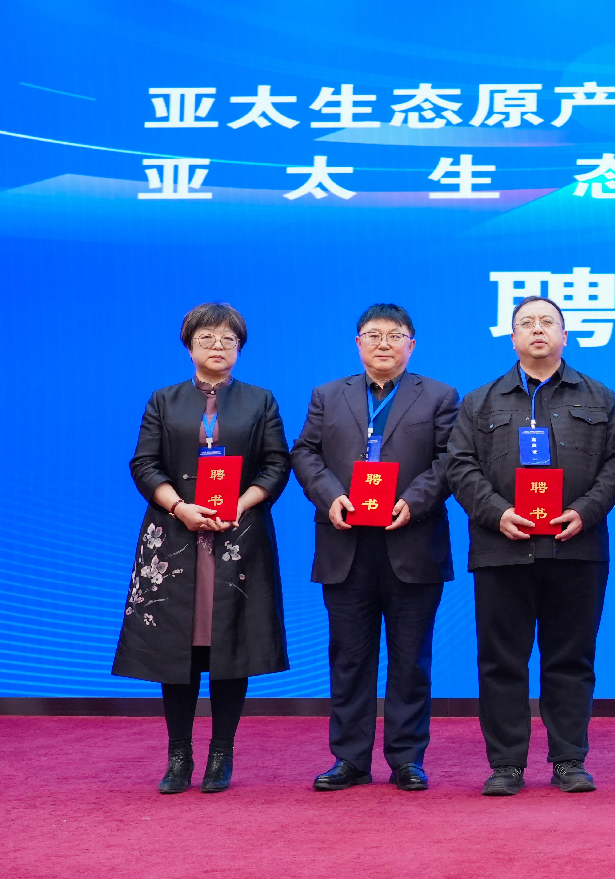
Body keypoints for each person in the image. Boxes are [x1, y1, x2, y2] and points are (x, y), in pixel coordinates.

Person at [446, 296, 615, 797]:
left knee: (571, 658)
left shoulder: (599, 396)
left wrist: (586, 511)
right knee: (501, 661)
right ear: (512, 339)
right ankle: (506, 764)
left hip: (576, 547)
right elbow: (460, 465)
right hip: (502, 547)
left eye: (548, 321)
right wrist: (497, 513)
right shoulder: (480, 401)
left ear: (565, 335)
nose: (538, 329)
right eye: (526, 323)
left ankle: (569, 759)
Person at [113, 303, 291, 794]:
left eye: (228, 339)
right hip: (175, 537)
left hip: (239, 537)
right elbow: (144, 464)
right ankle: (178, 756)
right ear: (189, 345)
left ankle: (221, 753)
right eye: (207, 338)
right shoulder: (163, 400)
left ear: (240, 348)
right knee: (179, 647)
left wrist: (241, 503)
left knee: (230, 644)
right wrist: (180, 507)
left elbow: (277, 465)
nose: (218, 346)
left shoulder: (260, 400)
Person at [291, 303, 460, 793]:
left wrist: (413, 502)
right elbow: (305, 452)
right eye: (373, 334)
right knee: (349, 658)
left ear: (412, 344)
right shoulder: (328, 395)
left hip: (412, 541)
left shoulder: (440, 396)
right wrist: (331, 496)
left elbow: (451, 460)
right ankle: (349, 758)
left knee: (411, 660)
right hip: (346, 543)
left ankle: (407, 758)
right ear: (358, 342)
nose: (383, 343)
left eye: (395, 335)